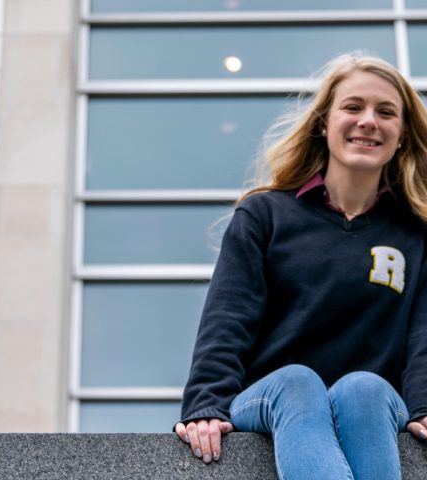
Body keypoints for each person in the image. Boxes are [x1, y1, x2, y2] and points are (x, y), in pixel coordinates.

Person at [173, 51, 427, 480]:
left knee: (364, 387)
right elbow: (228, 317)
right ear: (324, 123)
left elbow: (424, 333)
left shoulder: (416, 236)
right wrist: (206, 404)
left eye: (386, 112)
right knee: (297, 381)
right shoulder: (265, 216)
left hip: (371, 408)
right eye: (352, 107)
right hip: (273, 397)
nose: (369, 121)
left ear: (401, 134)